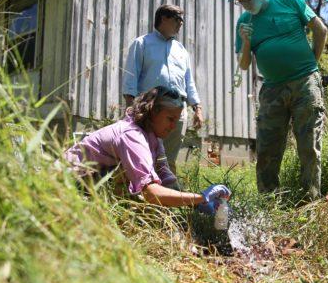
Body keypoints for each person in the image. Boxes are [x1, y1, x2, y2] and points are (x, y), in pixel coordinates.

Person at [230, 0, 328, 200]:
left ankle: (310, 203)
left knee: (308, 146)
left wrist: (312, 64)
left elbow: (320, 30)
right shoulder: (244, 23)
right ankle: (268, 203)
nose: (244, 2)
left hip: (305, 83)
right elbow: (244, 65)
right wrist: (246, 42)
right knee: (267, 150)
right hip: (272, 89)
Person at [64, 86, 229, 213]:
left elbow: (167, 180)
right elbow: (151, 193)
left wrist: (200, 204)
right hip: (66, 186)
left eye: (176, 120)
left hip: (89, 184)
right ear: (152, 112)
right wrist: (199, 197)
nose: (173, 127)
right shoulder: (132, 136)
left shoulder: (153, 138)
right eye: (170, 119)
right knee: (138, 189)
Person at [122, 4, 203, 175]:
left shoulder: (181, 50)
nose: (181, 24)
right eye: (177, 20)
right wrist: (130, 106)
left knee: (169, 158)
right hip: (152, 109)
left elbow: (189, 81)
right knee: (145, 154)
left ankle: (167, 195)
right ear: (164, 19)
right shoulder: (142, 43)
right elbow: (131, 76)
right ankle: (142, 191)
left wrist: (198, 109)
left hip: (178, 111)